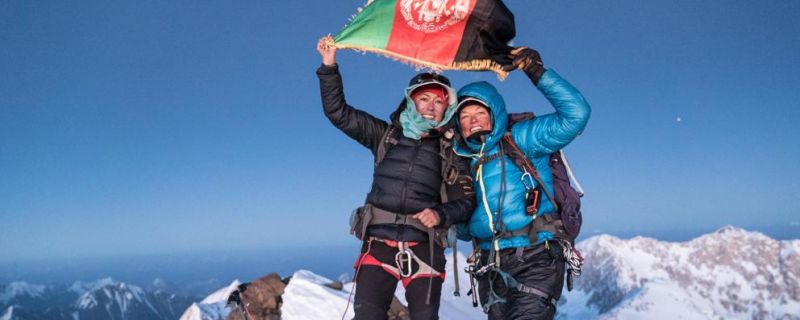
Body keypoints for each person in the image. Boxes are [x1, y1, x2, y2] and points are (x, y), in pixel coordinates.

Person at [315, 35, 476, 320]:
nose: (430, 105)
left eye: (438, 101)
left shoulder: (450, 150)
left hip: (425, 245)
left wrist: (440, 214)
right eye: (423, 98)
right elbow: (338, 112)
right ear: (410, 102)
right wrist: (329, 65)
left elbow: (466, 202)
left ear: (446, 108)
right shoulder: (385, 136)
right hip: (378, 244)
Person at [453, 47, 591, 320]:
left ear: (494, 114)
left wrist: (536, 71)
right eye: (465, 117)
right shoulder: (462, 162)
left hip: (537, 256)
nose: (473, 121)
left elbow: (576, 115)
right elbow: (466, 232)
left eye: (479, 113)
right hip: (490, 267)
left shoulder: (523, 138)